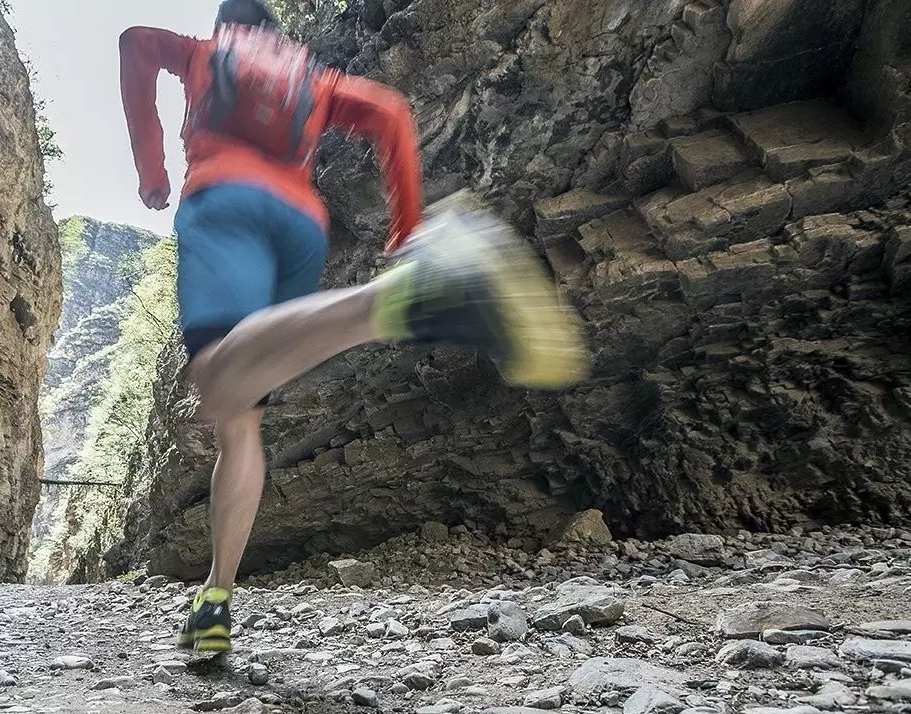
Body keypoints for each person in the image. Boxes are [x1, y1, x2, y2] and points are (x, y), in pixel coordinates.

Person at [120, 0, 587, 653]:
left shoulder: (204, 51)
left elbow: (136, 43)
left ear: (229, 27)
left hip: (225, 205)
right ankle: (215, 598)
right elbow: (390, 112)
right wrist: (407, 231)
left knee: (220, 384)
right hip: (301, 230)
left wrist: (153, 172)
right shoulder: (309, 77)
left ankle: (404, 296)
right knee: (243, 414)